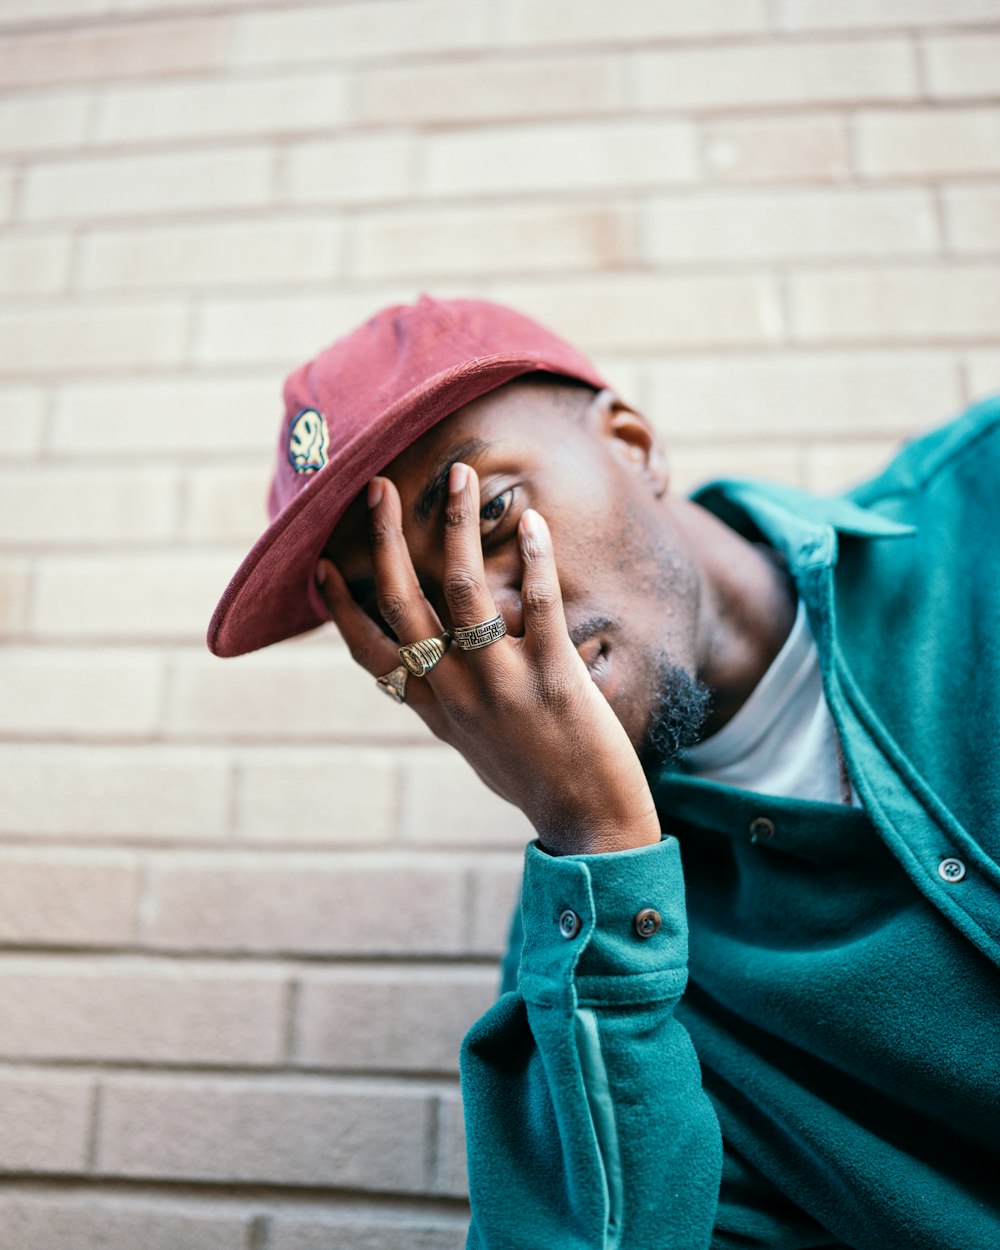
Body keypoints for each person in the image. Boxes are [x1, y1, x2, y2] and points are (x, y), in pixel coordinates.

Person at [208, 295, 999, 1250]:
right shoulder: (600, 974)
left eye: (491, 512)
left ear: (633, 443)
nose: (482, 621)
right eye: (409, 607)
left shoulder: (980, 507)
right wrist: (599, 847)